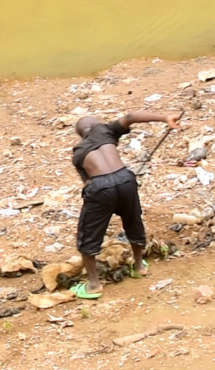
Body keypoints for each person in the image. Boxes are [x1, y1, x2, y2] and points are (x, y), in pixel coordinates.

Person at [69, 111, 181, 299]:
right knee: (133, 222)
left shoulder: (78, 152)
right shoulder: (106, 131)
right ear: (97, 125)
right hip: (125, 178)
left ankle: (94, 285)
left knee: (88, 236)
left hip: (99, 186)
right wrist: (165, 118)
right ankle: (139, 266)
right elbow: (130, 117)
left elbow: (89, 184)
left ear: (81, 134)